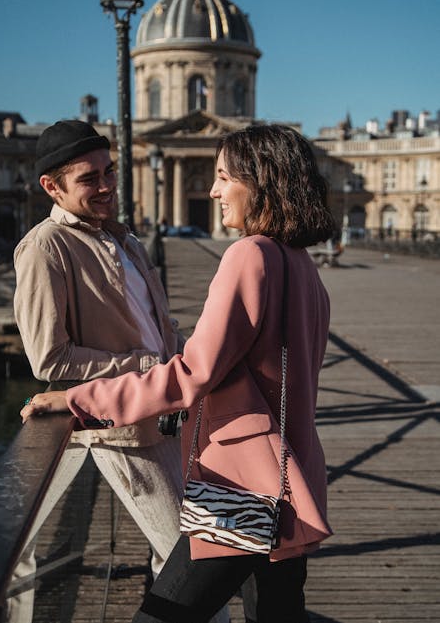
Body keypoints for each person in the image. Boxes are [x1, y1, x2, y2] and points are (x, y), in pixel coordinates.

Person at [21, 124, 335, 623]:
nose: (212, 191)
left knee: (163, 616)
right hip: (295, 476)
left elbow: (191, 374)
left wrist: (80, 400)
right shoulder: (302, 265)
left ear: (259, 182)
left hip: (243, 484)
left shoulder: (248, 256)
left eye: (223, 177)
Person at [10, 119, 210, 621]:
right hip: (123, 429)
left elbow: (157, 328)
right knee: (193, 561)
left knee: (184, 557)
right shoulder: (45, 247)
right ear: (51, 187)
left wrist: (195, 359)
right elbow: (49, 359)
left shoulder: (123, 237)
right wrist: (152, 366)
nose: (106, 187)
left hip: (165, 412)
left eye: (110, 172)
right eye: (89, 179)